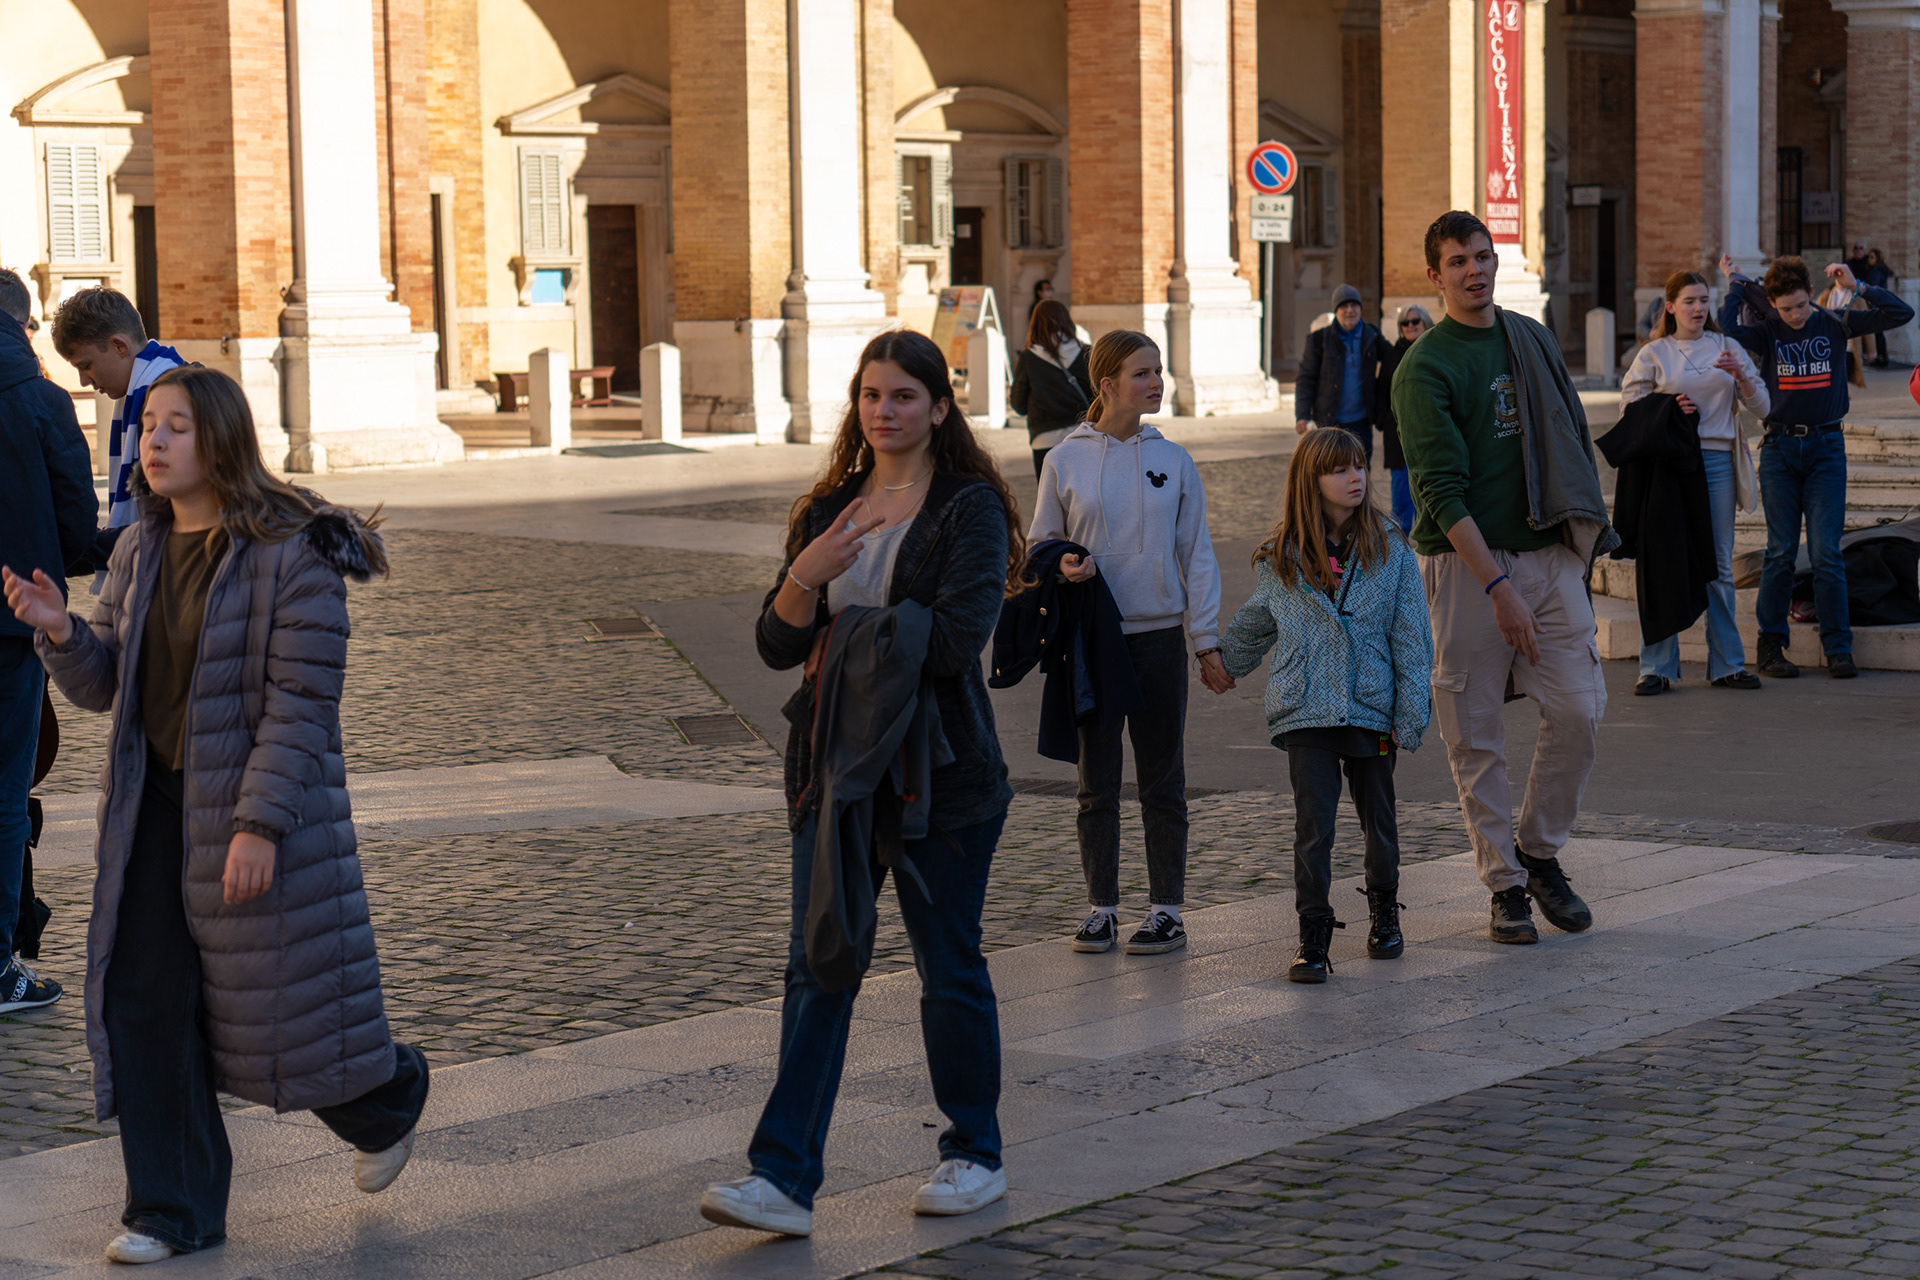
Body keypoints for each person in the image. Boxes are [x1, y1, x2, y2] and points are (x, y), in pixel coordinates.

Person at [4, 366, 428, 1264]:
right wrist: (60, 630)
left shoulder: (294, 553)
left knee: (272, 1009)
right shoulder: (138, 547)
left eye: (178, 427)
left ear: (223, 440)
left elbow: (301, 707)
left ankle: (387, 1100)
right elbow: (106, 685)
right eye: (150, 425)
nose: (155, 442)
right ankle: (172, 1211)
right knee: (142, 1001)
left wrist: (258, 826)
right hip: (153, 812)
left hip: (252, 813)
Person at [700, 330, 1025, 1238]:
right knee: (818, 965)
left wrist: (840, 623)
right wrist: (807, 576)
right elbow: (776, 643)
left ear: (940, 408)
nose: (885, 411)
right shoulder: (829, 511)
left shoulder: (968, 509)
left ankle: (975, 1154)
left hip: (940, 775)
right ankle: (782, 1178)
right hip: (834, 775)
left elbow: (955, 641)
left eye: (904, 396)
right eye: (872, 395)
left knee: (947, 965)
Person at [1392, 210, 1618, 947]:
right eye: (1459, 261)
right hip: (1467, 568)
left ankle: (1539, 851)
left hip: (1547, 554)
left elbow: (1568, 434)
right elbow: (1439, 493)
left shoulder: (1530, 337)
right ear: (1436, 275)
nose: (1475, 271)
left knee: (1580, 708)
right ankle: (1505, 885)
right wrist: (1498, 588)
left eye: (1483, 257)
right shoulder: (1424, 367)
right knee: (1476, 734)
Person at [1029, 330, 1230, 957]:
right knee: (1096, 782)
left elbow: (1197, 555)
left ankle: (1167, 909)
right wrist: (1062, 563)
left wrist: (1205, 640)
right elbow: (1040, 545)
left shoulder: (1175, 460)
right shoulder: (1063, 460)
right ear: (1108, 383)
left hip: (1159, 639)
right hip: (1092, 640)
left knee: (1163, 778)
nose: (1156, 382)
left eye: (1159, 371)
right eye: (1143, 373)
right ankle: (1102, 909)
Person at [1219, 428, 1432, 984]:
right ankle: (1312, 935)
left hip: (1370, 707)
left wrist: (1410, 713)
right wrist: (1221, 661)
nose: (1355, 477)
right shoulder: (1281, 554)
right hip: (1306, 707)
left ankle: (1384, 912)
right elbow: (1259, 618)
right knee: (1313, 830)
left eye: (1359, 466)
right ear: (1310, 480)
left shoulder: (1390, 547)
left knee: (1378, 824)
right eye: (1339, 469)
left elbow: (1412, 635)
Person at [1718, 252, 1915, 679]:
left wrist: (1857, 285)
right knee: (1780, 552)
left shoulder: (1835, 322)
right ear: (1773, 305)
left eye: (1800, 305)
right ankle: (1771, 645)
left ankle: (1838, 647)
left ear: (1812, 293)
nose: (1794, 316)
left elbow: (1901, 313)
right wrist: (1735, 283)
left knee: (1827, 552)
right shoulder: (1768, 331)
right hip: (1779, 450)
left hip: (1827, 449)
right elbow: (1727, 328)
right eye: (1784, 309)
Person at [0, 270, 96, 1012]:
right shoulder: (41, 399)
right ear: (22, 325)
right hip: (12, 623)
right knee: (4, 793)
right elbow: (76, 526)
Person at [1619, 269, 1769, 694]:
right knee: (1664, 561)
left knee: (1718, 564)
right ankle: (1657, 668)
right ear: (1670, 306)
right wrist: (1666, 407)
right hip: (1669, 467)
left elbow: (1764, 407)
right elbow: (1628, 408)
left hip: (1717, 462)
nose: (1698, 308)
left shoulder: (1727, 346)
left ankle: (1727, 665)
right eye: (1689, 301)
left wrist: (1741, 376)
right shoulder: (1655, 353)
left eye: (1704, 300)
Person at [50, 286, 183, 540]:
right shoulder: (151, 386)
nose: (83, 381)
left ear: (119, 346)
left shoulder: (169, 396)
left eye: (86, 366)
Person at [1295, 284, 1391, 461]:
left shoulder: (1372, 335)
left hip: (1361, 421)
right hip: (1329, 421)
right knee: (1330, 468)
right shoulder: (1319, 340)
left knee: (1361, 468)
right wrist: (1302, 415)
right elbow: (1306, 379)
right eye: (1344, 306)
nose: (1350, 311)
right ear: (1336, 310)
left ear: (1360, 308)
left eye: (1354, 305)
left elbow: (1393, 360)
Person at [1010, 298, 1092, 477]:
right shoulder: (1087, 353)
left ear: (1035, 324)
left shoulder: (1028, 357)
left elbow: (1018, 405)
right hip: (1083, 435)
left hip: (1044, 438)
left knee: (1049, 492)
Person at [1375, 304, 1432, 534]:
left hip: (1430, 432)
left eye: (1415, 321)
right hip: (1398, 434)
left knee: (1430, 490)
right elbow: (1380, 391)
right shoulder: (1393, 355)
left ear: (1425, 322)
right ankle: (1399, 541)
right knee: (1401, 491)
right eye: (1405, 323)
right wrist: (1384, 420)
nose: (1410, 326)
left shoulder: (1435, 349)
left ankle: (1428, 538)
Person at [1859, 249, 1896, 368]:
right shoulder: (1879, 270)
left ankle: (1880, 356)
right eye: (1869, 257)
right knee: (1878, 332)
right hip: (1879, 303)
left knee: (1877, 331)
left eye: (1872, 257)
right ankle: (1881, 356)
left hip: (1875, 304)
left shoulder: (1875, 271)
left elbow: (1872, 287)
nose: (1869, 260)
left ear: (1877, 259)